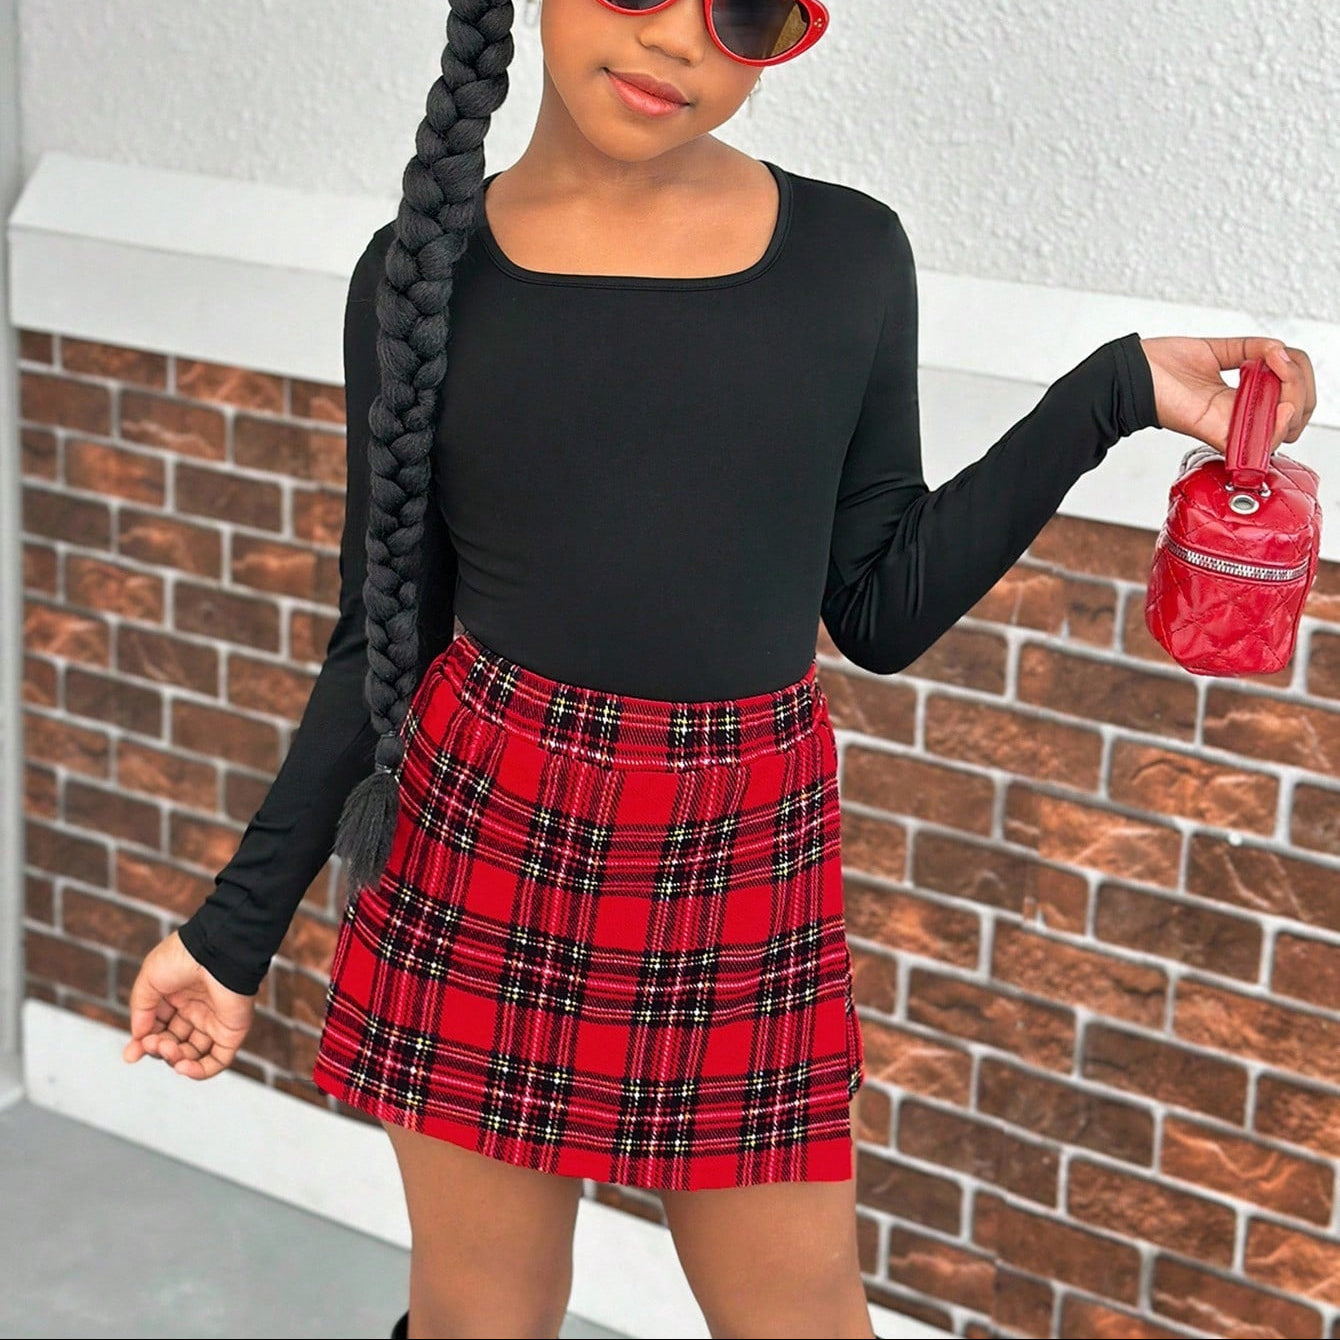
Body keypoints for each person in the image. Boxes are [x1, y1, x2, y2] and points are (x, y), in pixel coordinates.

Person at [120, 1, 1318, 1337]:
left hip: (741, 841)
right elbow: (383, 633)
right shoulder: (422, 271)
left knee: (800, 1311)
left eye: (740, 9)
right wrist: (230, 937)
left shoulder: (846, 257)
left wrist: (1110, 392)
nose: (680, 42)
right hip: (485, 829)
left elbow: (879, 610)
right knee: (479, 1314)